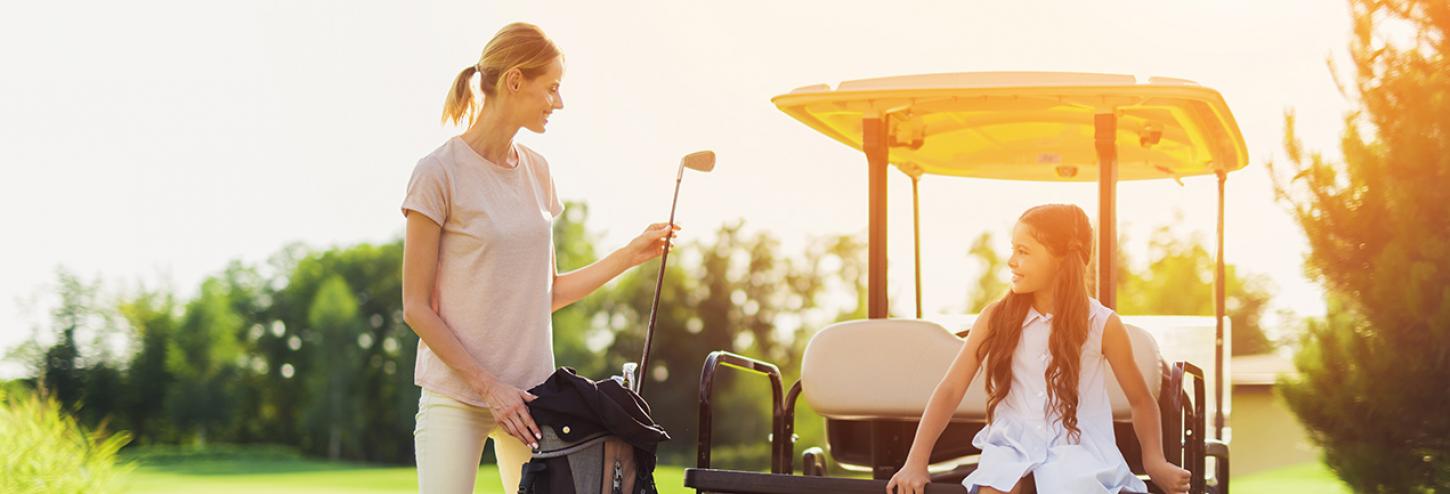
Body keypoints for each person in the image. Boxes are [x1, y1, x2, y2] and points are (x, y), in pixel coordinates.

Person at [400, 22, 679, 494]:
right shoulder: (437, 173)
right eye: (551, 88)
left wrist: (630, 255)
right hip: (458, 396)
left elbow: (547, 293)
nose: (559, 102)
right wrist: (489, 388)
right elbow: (416, 307)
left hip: (535, 399)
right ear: (514, 81)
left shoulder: (538, 170)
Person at [885, 204, 1191, 494]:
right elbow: (951, 389)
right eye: (1013, 249)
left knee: (1069, 485)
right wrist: (916, 461)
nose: (1011, 261)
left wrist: (1155, 462)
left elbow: (1141, 400)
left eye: (1023, 251)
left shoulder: (1102, 324)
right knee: (995, 487)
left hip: (1077, 448)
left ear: (1060, 260)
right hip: (1012, 445)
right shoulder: (996, 317)